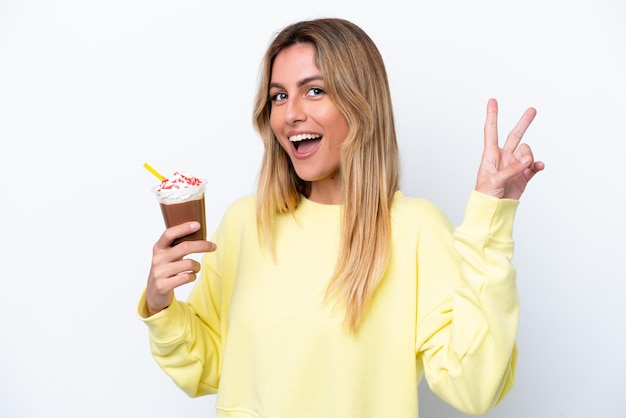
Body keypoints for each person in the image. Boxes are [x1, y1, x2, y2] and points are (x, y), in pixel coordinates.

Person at [137, 17, 544, 418]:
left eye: (314, 91)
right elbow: (208, 369)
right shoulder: (246, 222)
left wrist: (490, 223)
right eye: (279, 96)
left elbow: (472, 388)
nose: (290, 114)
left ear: (361, 105)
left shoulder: (414, 229)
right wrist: (161, 303)